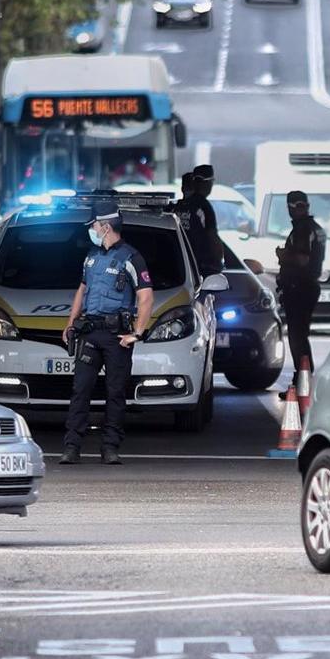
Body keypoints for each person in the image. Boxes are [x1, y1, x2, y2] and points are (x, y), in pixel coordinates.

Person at [59, 201, 155, 466]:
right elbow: (82, 290)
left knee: (115, 393)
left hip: (117, 337)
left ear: (105, 226)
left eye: (93, 225)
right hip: (90, 332)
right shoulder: (91, 256)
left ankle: (110, 447)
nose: (91, 229)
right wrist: (70, 323)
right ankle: (72, 446)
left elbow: (146, 297)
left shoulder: (131, 258)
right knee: (80, 390)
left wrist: (137, 333)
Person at [275, 191, 326, 387]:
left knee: (297, 337)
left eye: (299, 206)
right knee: (300, 336)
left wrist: (283, 255)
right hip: (306, 286)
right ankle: (303, 380)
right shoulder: (315, 228)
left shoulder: (303, 229)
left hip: (299, 288)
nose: (297, 210)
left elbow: (302, 259)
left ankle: (303, 381)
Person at [176, 165, 221, 278]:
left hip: (181, 265)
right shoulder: (203, 206)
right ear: (207, 183)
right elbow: (212, 236)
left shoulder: (180, 207)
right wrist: (218, 262)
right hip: (201, 268)